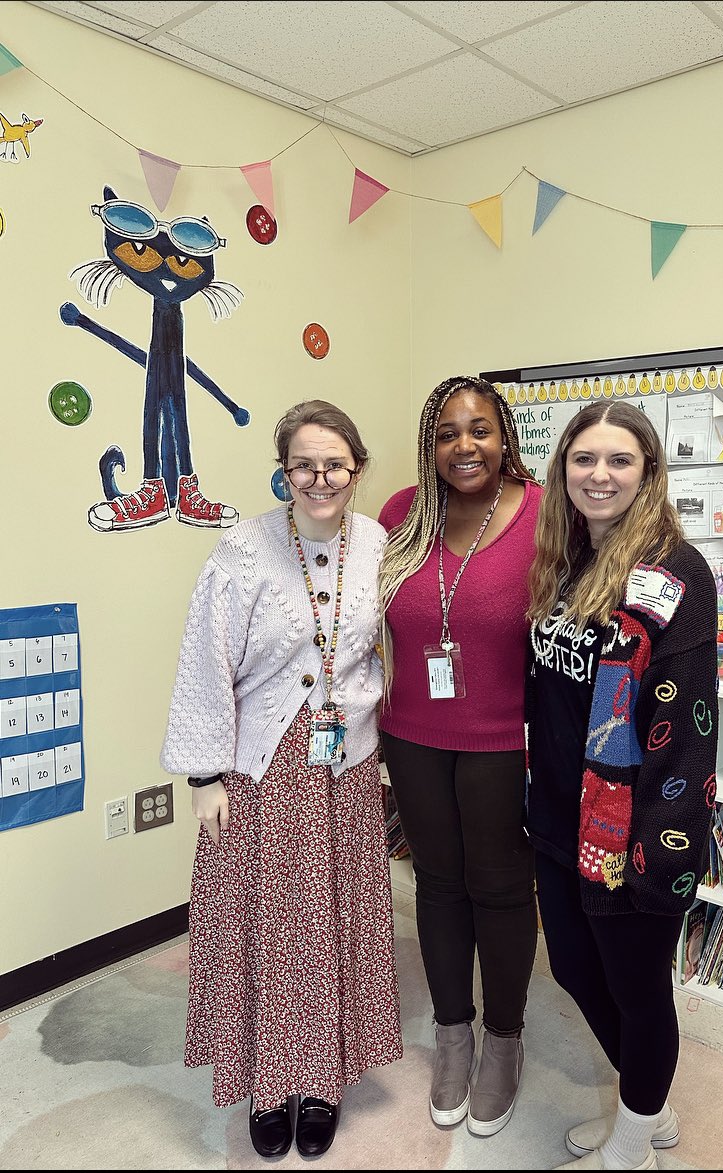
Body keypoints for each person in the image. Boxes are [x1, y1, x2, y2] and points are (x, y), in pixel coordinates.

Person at [160, 400, 402, 1160]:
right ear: (284, 470)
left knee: (336, 920)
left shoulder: (377, 543)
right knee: (266, 926)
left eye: (334, 463)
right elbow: (205, 658)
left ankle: (323, 1079)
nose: (319, 478)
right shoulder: (243, 549)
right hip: (260, 766)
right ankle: (270, 1082)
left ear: (356, 468)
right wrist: (204, 776)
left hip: (347, 762)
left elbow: (392, 641)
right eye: (304, 464)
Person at [525, 401, 718, 1171]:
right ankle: (651, 1107)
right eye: (584, 458)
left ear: (648, 472)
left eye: (619, 460)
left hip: (633, 829)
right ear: (563, 468)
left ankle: (632, 1145)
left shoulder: (675, 572)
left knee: (638, 991)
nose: (599, 474)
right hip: (557, 815)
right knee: (573, 967)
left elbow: (685, 727)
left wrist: (657, 843)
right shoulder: (569, 559)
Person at [377, 374, 541, 1137]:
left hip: (507, 740)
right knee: (438, 885)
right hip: (409, 733)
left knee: (501, 887)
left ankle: (504, 1039)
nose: (463, 445)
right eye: (446, 432)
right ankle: (453, 1032)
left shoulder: (547, 516)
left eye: (478, 429)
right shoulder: (400, 515)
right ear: (429, 443)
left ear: (503, 435)